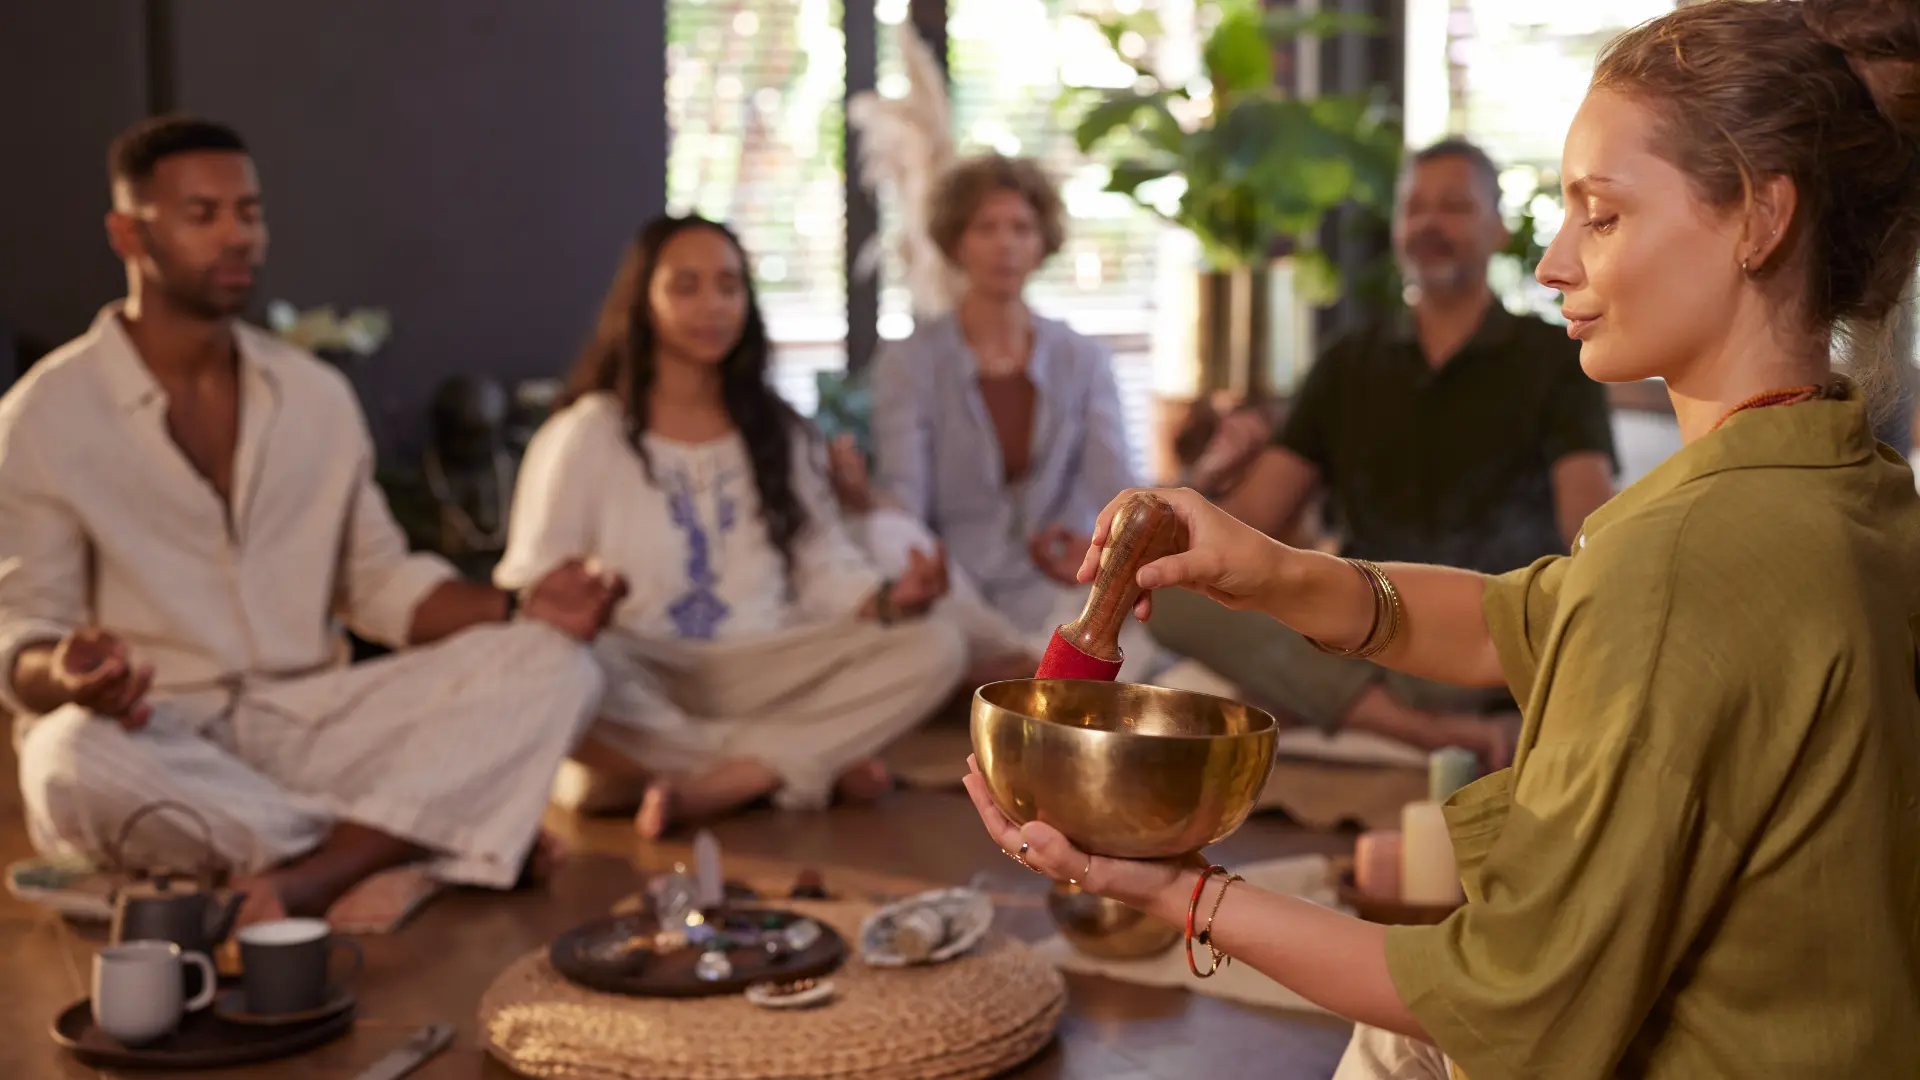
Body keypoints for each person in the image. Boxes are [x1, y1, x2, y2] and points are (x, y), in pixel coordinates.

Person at [965, 1, 1920, 1076]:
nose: (1554, 262)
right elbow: (1526, 617)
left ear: (1761, 218)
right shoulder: (1860, 490)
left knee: (1396, 1044)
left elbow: (1511, 1006)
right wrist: (1271, 569)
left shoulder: (1679, 560)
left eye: (1600, 216)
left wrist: (1171, 889)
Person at [2, 115, 627, 927]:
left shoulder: (314, 396)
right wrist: (70, 672)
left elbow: (379, 584)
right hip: (163, 736)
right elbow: (22, 634)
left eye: (249, 212)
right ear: (128, 233)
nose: (237, 237)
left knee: (559, 667)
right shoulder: (44, 416)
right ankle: (397, 847)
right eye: (203, 215)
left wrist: (524, 606)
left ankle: (314, 869)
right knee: (63, 759)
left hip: (315, 719)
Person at [1150, 138, 1618, 768]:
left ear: (1497, 228)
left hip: (1485, 640)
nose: (1429, 223)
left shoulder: (1553, 360)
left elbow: (1586, 522)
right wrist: (1194, 486)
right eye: (1414, 208)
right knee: (1170, 593)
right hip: (1362, 627)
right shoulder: (1349, 362)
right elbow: (1253, 517)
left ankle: (1347, 707)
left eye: (1453, 206)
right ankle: (1413, 729)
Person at [496, 215, 966, 840]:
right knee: (556, 660)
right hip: (642, 667)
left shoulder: (781, 430)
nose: (711, 306)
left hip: (764, 667)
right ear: (643, 302)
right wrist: (571, 604)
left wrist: (889, 598)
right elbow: (531, 587)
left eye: (727, 286)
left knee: (936, 645)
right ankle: (800, 764)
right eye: (685, 287)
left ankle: (695, 777)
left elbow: (823, 566)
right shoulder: (586, 434)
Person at [868, 153, 1156, 682]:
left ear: (1042, 242)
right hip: (959, 586)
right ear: (957, 241)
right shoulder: (909, 361)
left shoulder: (1083, 358)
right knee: (890, 543)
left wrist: (1096, 547)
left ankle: (1012, 677)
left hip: (1056, 581)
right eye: (986, 228)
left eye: (1021, 228)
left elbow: (1116, 487)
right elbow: (904, 496)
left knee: (1134, 617)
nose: (1005, 245)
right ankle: (1025, 675)